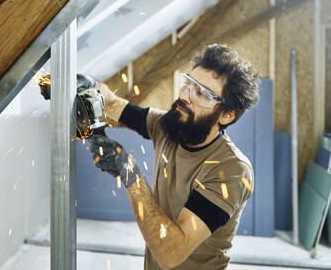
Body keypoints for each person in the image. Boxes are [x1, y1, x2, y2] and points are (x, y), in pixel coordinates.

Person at [79, 43, 260, 270]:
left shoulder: (231, 170)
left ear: (227, 115)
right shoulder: (171, 126)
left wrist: (130, 174)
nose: (185, 96)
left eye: (201, 93)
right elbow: (115, 104)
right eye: (187, 83)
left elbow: (170, 253)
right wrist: (89, 85)